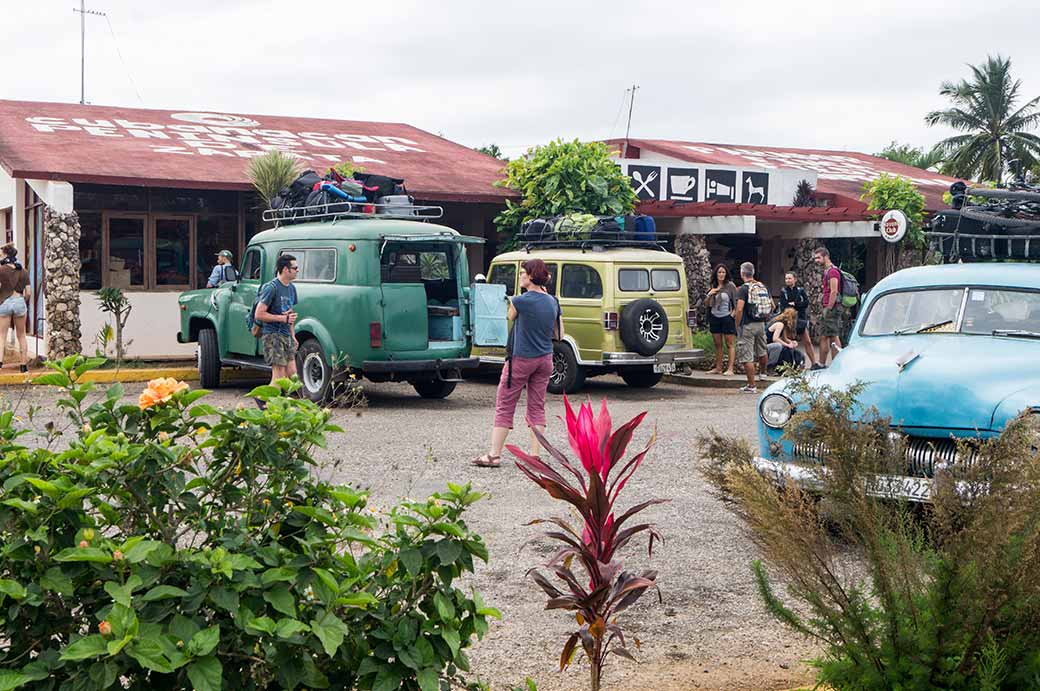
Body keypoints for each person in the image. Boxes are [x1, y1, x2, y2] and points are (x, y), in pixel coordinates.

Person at [473, 259, 562, 468]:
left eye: (523, 272)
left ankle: (494, 455)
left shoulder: (520, 300)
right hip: (545, 358)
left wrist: (518, 299)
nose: (520, 275)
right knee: (537, 406)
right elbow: (560, 333)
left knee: (505, 405)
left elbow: (510, 316)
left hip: (521, 359)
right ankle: (535, 455)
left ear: (532, 276)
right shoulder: (553, 301)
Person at [254, 254, 299, 397]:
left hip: (287, 335)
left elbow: (290, 315)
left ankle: (278, 404)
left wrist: (293, 335)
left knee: (292, 374)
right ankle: (264, 402)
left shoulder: (292, 288)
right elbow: (259, 314)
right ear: (286, 269)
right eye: (295, 268)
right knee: (278, 375)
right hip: (273, 335)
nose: (298, 270)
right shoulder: (271, 288)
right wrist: (282, 319)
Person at [732, 261, 771, 393]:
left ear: (742, 273)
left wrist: (737, 325)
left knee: (746, 356)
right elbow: (772, 305)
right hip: (761, 323)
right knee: (762, 350)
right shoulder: (761, 286)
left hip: (747, 325)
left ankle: (751, 385)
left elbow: (739, 309)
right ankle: (763, 373)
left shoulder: (744, 288)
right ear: (753, 273)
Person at [0, 246, 30, 372]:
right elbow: (28, 292)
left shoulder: (0, 270)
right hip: (19, 301)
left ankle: (0, 363)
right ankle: (23, 366)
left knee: (2, 336)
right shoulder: (23, 271)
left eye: (1, 254)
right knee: (21, 335)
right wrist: (23, 302)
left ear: (6, 255)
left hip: (4, 302)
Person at [778, 271, 817, 368]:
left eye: (790, 278)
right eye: (786, 278)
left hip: (800, 320)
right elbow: (783, 306)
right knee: (788, 342)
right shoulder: (783, 291)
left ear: (795, 279)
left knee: (807, 341)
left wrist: (796, 304)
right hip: (789, 320)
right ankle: (789, 365)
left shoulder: (800, 290)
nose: (787, 280)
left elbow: (806, 303)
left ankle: (814, 363)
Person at [813, 247, 843, 369]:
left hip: (831, 308)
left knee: (830, 336)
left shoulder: (832, 272)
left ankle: (826, 363)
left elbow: (834, 291)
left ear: (826, 256)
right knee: (829, 335)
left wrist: (829, 307)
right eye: (815, 258)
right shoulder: (828, 271)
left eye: (818, 257)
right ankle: (829, 363)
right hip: (830, 307)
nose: (816, 260)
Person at [704, 263, 737, 375]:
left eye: (723, 272)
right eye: (719, 272)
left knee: (730, 344)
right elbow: (707, 304)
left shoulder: (730, 286)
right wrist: (710, 294)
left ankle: (730, 368)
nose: (721, 274)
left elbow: (736, 302)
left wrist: (732, 315)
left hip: (727, 317)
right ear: (716, 274)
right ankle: (718, 368)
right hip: (714, 316)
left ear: (726, 273)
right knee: (718, 344)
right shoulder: (712, 285)